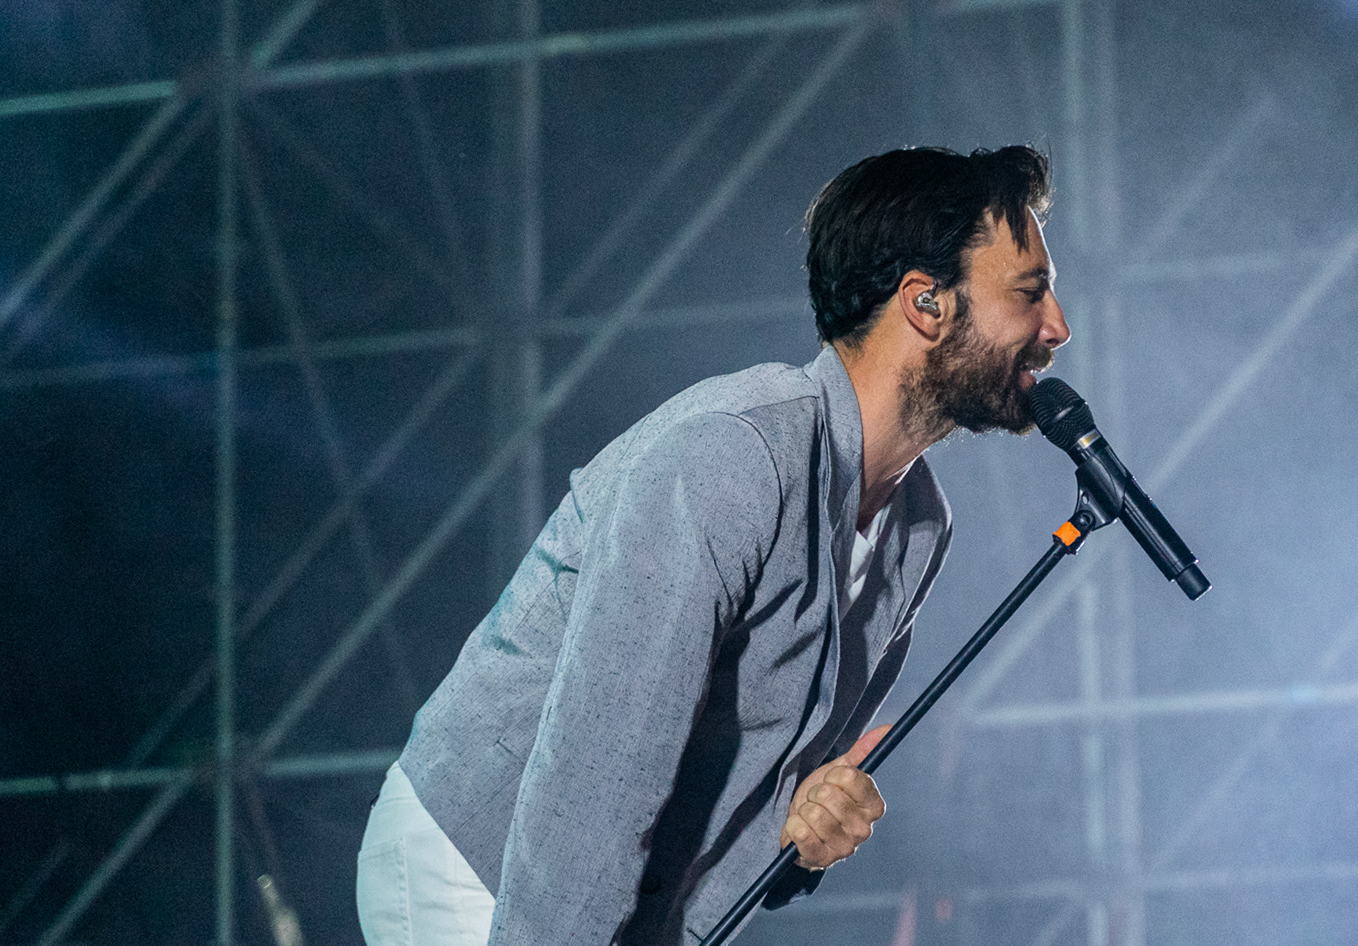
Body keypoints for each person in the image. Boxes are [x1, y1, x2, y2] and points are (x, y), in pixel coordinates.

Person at [356, 145, 1070, 946]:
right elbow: (599, 774)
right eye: (1029, 292)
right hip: (482, 862)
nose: (1057, 328)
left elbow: (779, 789)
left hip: (622, 893)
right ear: (925, 303)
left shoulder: (919, 528)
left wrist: (806, 834)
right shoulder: (733, 454)